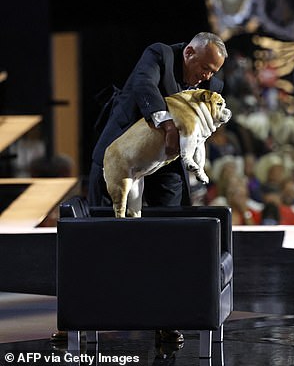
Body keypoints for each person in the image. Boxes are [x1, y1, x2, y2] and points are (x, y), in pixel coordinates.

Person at [84, 32, 228, 344]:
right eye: (204, 69)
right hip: (123, 152)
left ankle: (166, 318)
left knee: (168, 235)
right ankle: (78, 317)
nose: (207, 77)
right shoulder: (160, 54)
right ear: (189, 53)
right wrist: (167, 125)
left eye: (213, 72)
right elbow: (143, 87)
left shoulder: (213, 87)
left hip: (167, 166)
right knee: (99, 231)